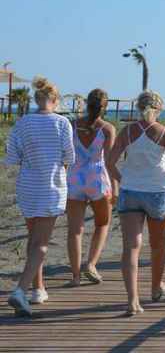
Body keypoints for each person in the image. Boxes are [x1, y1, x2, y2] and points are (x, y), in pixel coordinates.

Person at [106, 90, 165, 316]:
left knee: (131, 247)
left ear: (138, 108)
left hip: (131, 191)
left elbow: (110, 162)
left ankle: (132, 301)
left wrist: (123, 180)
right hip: (158, 191)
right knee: (158, 244)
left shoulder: (127, 131)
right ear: (159, 109)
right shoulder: (163, 132)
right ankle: (155, 287)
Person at [4, 76, 74, 316]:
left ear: (36, 99)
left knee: (33, 239)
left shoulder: (22, 123)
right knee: (41, 244)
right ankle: (20, 291)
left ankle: (38, 288)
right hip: (51, 187)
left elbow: (12, 157)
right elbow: (69, 157)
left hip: (28, 187)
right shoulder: (62, 123)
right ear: (54, 100)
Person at [66, 89, 116, 287]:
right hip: (98, 179)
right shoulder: (107, 129)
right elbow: (110, 161)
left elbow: (66, 155)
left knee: (75, 230)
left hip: (75, 178)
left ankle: (76, 276)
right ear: (105, 106)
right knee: (102, 224)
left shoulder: (72, 125)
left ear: (86, 104)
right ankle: (92, 264)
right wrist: (116, 188)